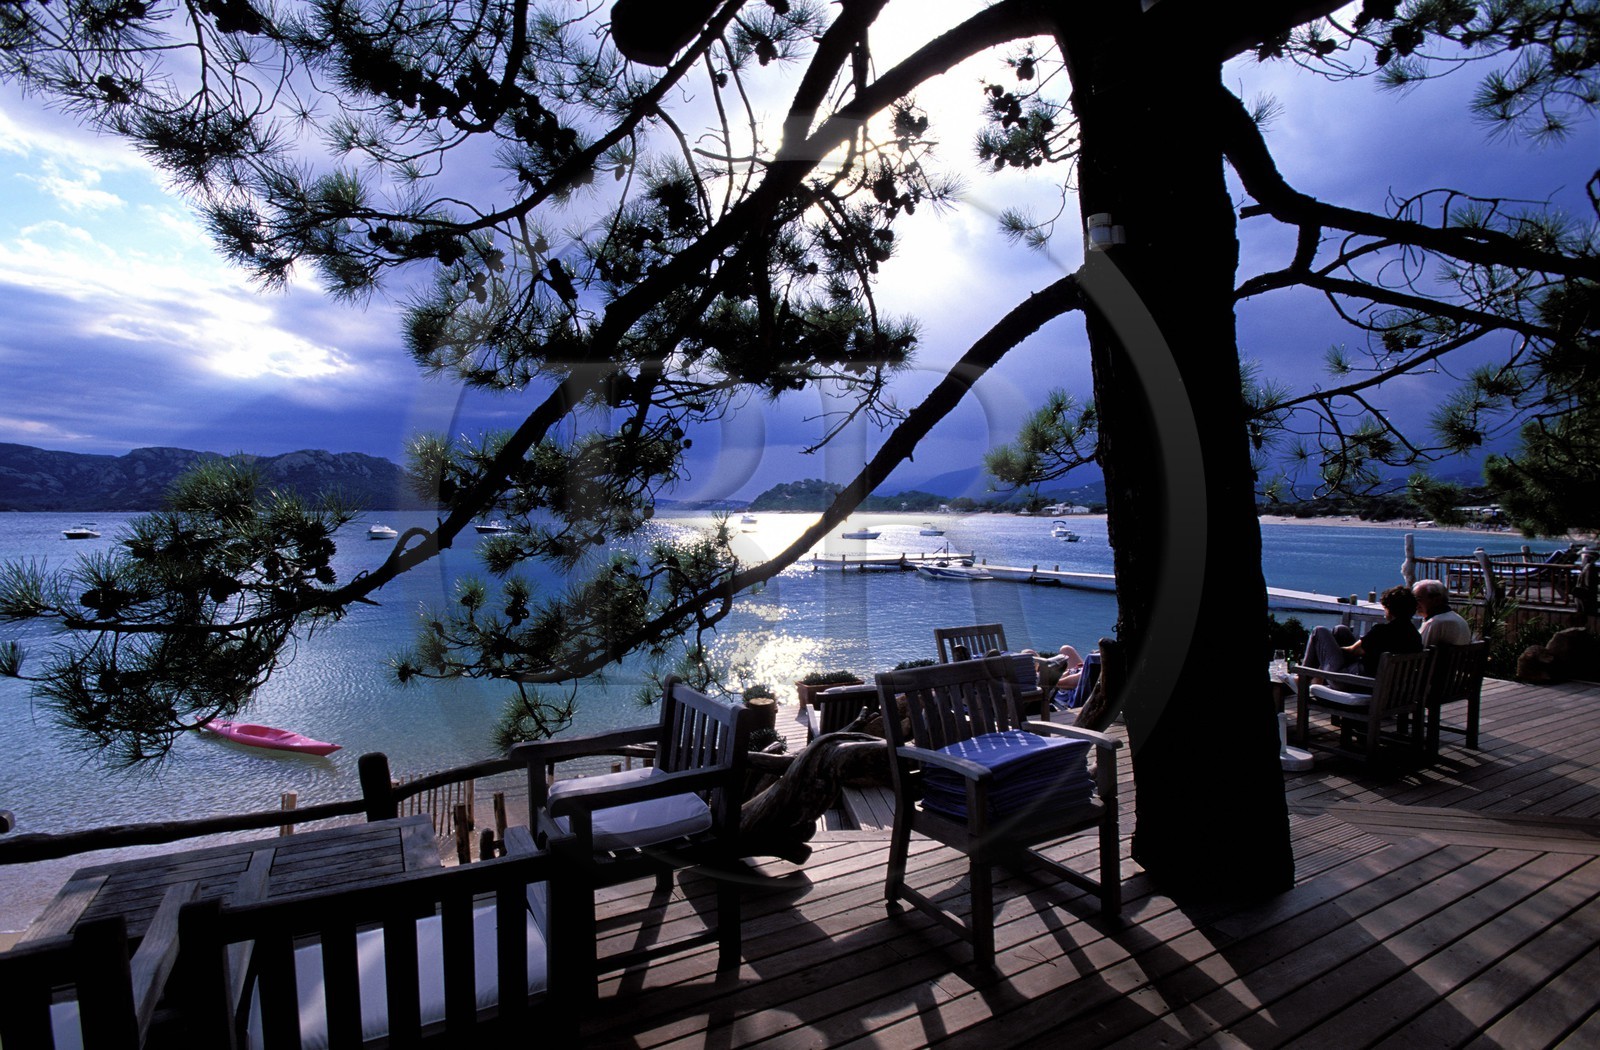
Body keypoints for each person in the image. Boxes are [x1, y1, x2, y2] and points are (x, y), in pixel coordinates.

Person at [1300, 584, 1423, 679]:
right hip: (1385, 683)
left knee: (1319, 631)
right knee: (1340, 630)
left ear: (1390, 610)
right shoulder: (1414, 636)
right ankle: (1313, 678)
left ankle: (1301, 678)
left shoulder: (1382, 631)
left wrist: (1330, 648)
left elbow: (1353, 651)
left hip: (1356, 682)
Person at [1412, 578, 1474, 647]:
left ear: (1436, 600)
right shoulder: (1459, 619)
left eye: (1419, 599)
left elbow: (1421, 651)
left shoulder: (1435, 623)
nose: (1416, 604)